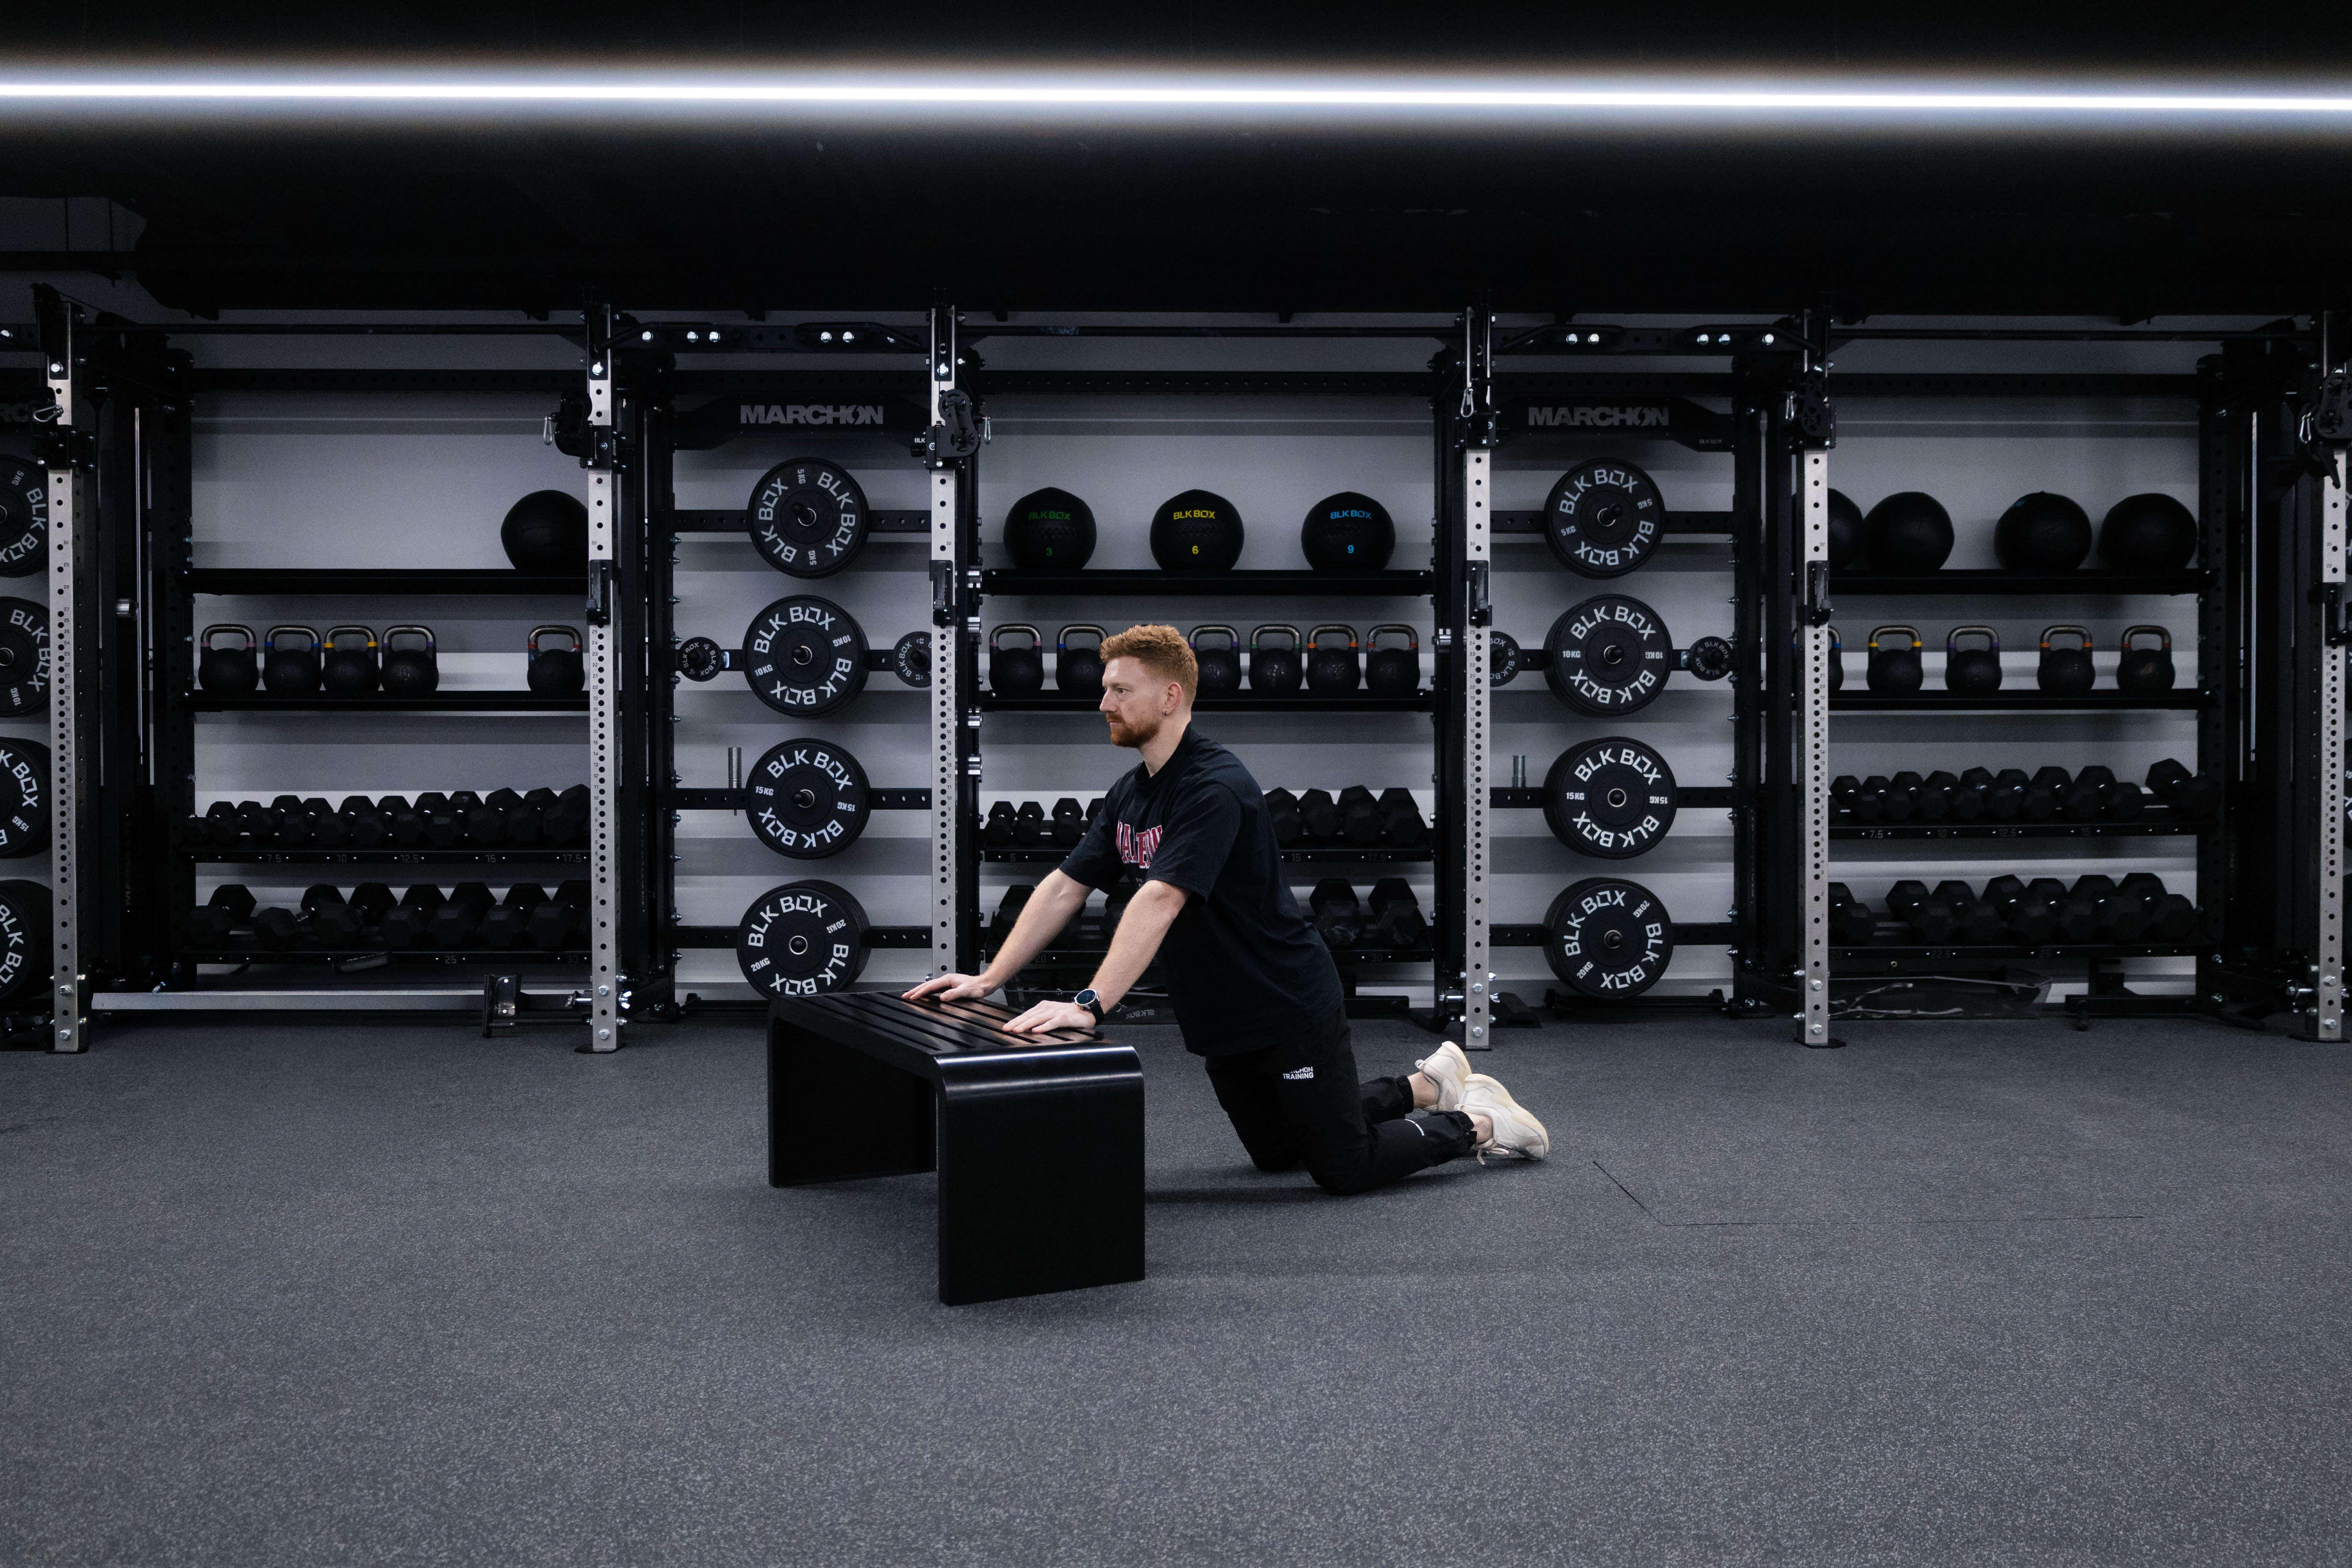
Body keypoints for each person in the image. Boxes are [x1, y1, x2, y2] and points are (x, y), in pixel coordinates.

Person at [905, 622, 1547, 1194]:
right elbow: (1064, 885)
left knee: (1343, 1166)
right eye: (1104, 689)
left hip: (1286, 1004)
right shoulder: (1131, 793)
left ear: (1170, 696)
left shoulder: (1215, 787)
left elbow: (1160, 897)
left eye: (1120, 690)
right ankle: (1425, 1085)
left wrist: (1090, 1000)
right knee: (1276, 1154)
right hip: (1221, 1018)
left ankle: (1482, 1120)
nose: (1103, 703)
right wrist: (991, 977)